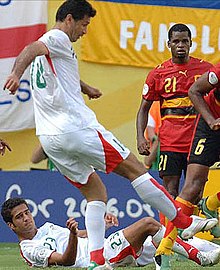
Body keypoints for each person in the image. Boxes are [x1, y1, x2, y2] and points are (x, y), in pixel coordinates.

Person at [3, 2, 217, 269]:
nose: (85, 31)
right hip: (77, 128)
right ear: (69, 19)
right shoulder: (54, 38)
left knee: (96, 193)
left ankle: (95, 261)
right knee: (136, 170)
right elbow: (30, 49)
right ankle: (183, 222)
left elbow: (60, 74)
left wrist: (86, 87)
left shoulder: (50, 55)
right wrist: (14, 72)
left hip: (49, 138)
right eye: (84, 24)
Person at [1, 197, 220, 269]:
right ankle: (198, 258)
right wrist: (71, 234)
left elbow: (84, 235)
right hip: (99, 259)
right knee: (148, 224)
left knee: (162, 239)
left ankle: (210, 248)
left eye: (27, 212)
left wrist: (101, 227)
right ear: (11, 226)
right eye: (19, 217)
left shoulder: (47, 227)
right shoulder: (29, 249)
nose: (26, 218)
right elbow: (66, 261)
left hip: (103, 245)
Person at [137, 23, 213, 200]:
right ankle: (170, 228)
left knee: (196, 192)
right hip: (171, 142)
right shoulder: (158, 73)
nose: (181, 45)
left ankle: (191, 228)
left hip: (198, 141)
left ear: (190, 43)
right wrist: (140, 137)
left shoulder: (205, 69)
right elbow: (143, 109)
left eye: (185, 41)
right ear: (168, 44)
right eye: (176, 41)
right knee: (170, 192)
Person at [177, 62, 220, 237]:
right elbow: (194, 91)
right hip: (210, 124)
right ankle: (167, 244)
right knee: (194, 185)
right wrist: (211, 120)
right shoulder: (218, 71)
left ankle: (211, 203)